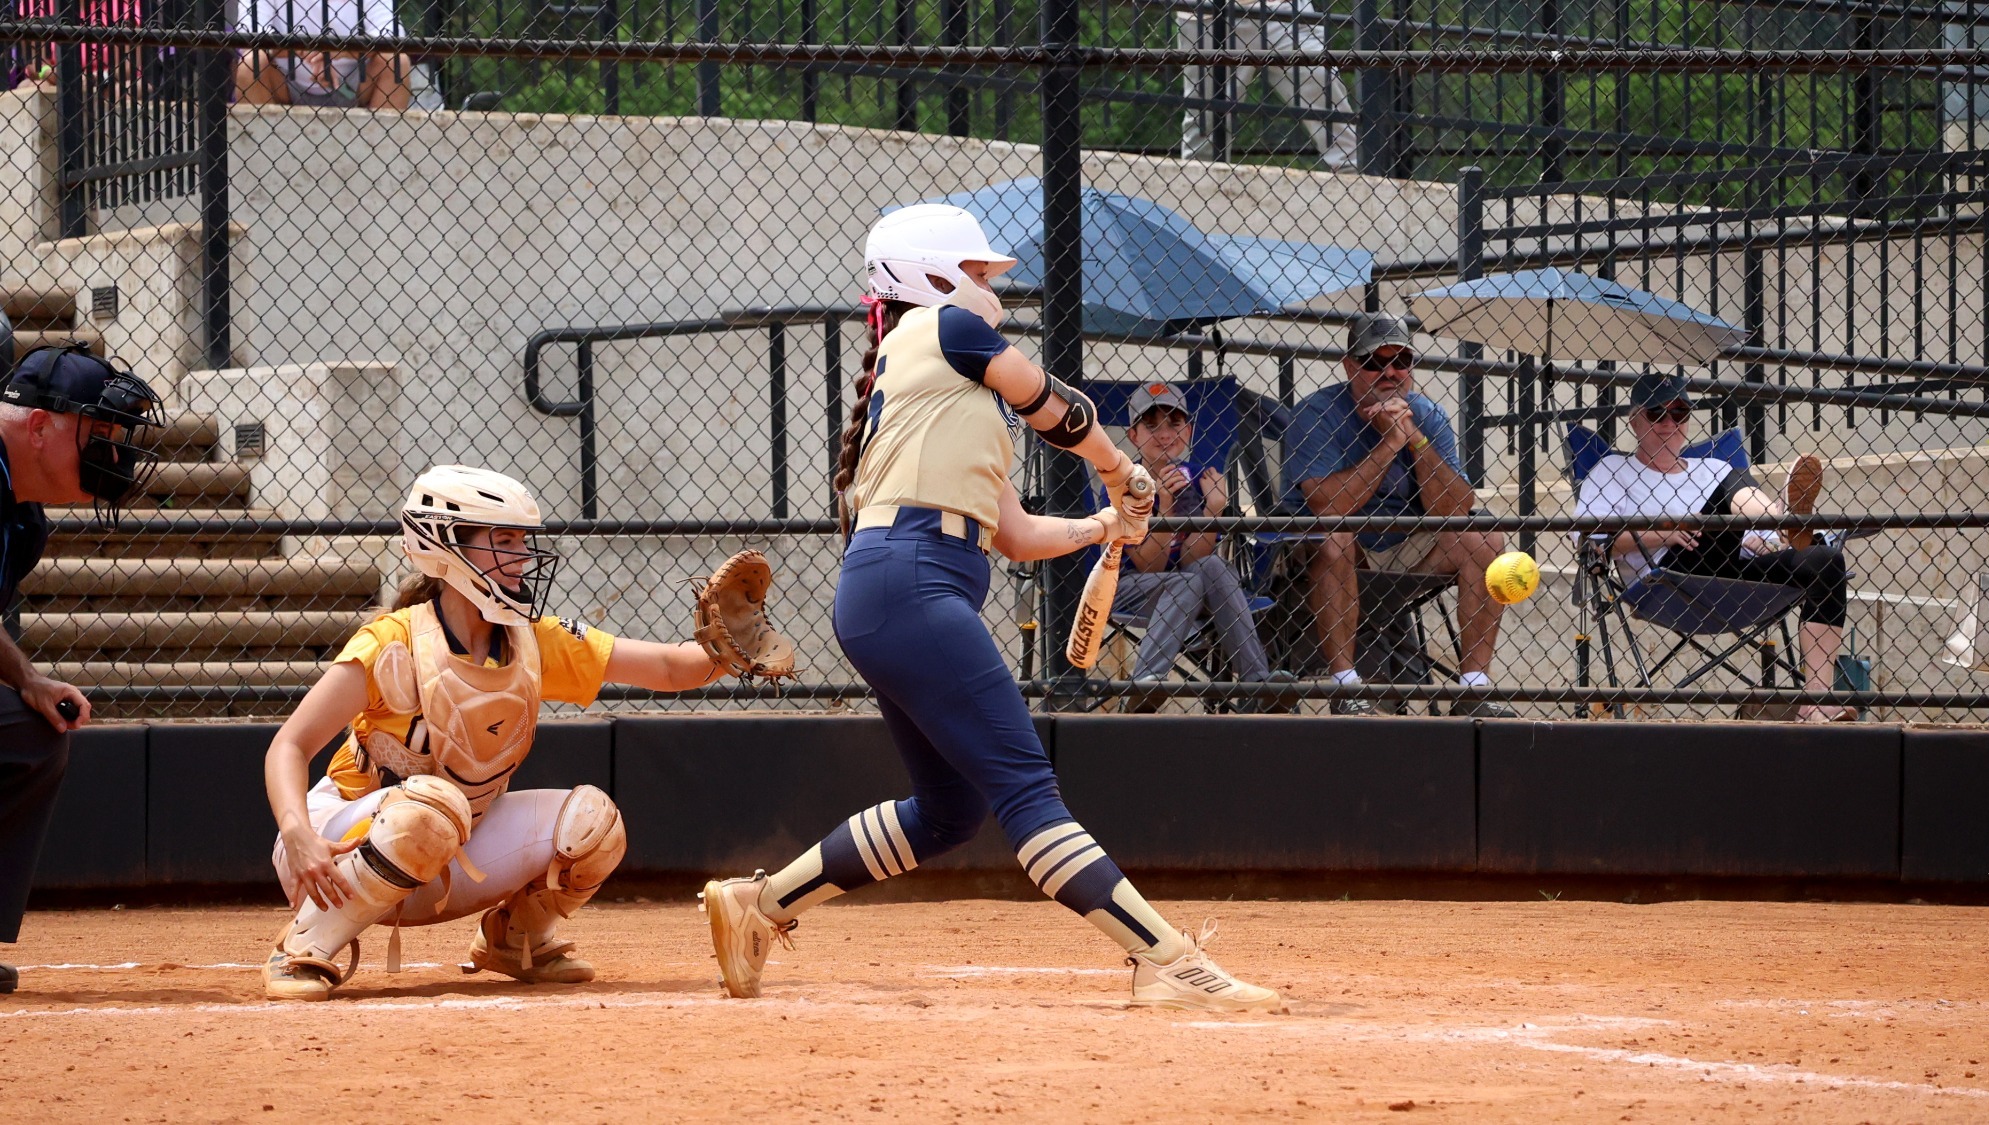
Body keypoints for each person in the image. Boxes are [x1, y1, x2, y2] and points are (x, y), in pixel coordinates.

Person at [699, 204, 1284, 1013]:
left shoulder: (938, 386)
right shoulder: (941, 329)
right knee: (1026, 790)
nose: (987, 287)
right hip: (911, 581)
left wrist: (1102, 525)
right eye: (975, 271)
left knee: (949, 810)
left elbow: (1009, 532)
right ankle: (1166, 959)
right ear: (930, 276)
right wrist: (1120, 471)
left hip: (891, 587)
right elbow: (1055, 406)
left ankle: (757, 906)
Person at [260, 464, 737, 1001]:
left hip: (443, 842)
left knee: (593, 823)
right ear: (444, 546)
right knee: (433, 806)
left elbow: (669, 669)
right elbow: (290, 745)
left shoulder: (530, 639)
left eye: (522, 540)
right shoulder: (392, 643)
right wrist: (298, 835)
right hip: (332, 857)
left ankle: (516, 940)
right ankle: (303, 945)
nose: (522, 556)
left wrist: (728, 649)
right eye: (503, 540)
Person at [0, 345, 164, 995]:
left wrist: (30, 680)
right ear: (39, 427)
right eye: (99, 436)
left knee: (28, 730)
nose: (115, 457)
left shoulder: (21, 519)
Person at [1574, 372, 1848, 723]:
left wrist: (1761, 542)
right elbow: (1591, 543)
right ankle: (1781, 517)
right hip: (1667, 579)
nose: (1669, 423)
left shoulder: (1711, 466)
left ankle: (1818, 703)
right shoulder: (1612, 470)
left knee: (1825, 561)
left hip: (1732, 566)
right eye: (1657, 413)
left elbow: (1737, 524)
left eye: (1680, 413)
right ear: (1634, 420)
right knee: (1723, 491)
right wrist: (1666, 531)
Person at [1283, 314, 1514, 716]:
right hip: (1334, 547)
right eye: (1375, 362)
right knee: (1334, 536)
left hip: (1410, 541)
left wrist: (1415, 439)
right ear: (1350, 365)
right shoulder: (1317, 413)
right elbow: (1329, 506)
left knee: (1487, 540)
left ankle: (1472, 691)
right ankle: (1346, 689)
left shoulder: (1425, 413)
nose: (1390, 373)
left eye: (1401, 360)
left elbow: (1455, 509)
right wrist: (1390, 443)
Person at [1111, 381, 1279, 712]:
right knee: (1186, 580)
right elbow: (1150, 566)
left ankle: (1258, 687)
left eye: (1174, 424)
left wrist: (1213, 511)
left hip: (1189, 586)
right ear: (1134, 436)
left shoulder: (1200, 478)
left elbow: (1192, 558)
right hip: (1127, 586)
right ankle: (1145, 684)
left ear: (1187, 431)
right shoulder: (1122, 484)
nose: (1164, 434)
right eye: (1151, 425)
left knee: (1213, 567)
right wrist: (1165, 508)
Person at [1177, 0, 1357, 172]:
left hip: (1284, 8)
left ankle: (1354, 178)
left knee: (1322, 79)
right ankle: (1199, 189)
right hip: (1209, 14)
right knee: (1206, 122)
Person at [235, 0, 413, 111]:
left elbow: (392, 35)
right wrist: (301, 47)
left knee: (396, 62)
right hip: (285, 83)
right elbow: (249, 36)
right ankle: (260, 162)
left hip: (354, 83)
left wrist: (339, 49)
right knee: (251, 64)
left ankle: (382, 157)